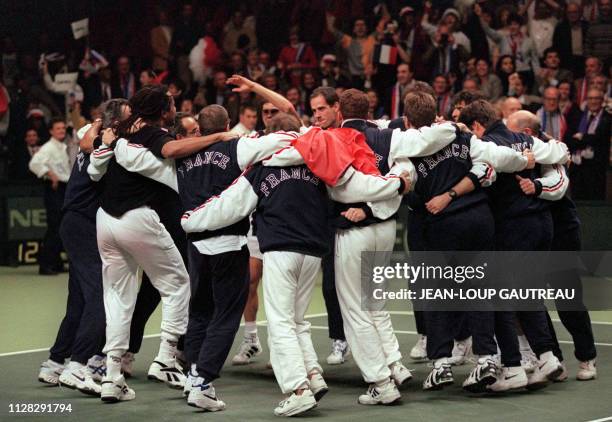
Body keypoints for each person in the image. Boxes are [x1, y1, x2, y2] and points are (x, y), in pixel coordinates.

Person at [87, 85, 230, 402]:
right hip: (137, 217)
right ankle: (166, 358)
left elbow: (94, 152)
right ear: (161, 110)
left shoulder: (122, 131)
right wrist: (218, 138)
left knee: (118, 299)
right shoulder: (152, 134)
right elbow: (169, 152)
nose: (174, 106)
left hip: (105, 221)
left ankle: (112, 377)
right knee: (178, 283)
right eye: (171, 103)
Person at [459, 99, 570, 391]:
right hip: (541, 223)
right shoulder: (524, 138)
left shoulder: (487, 145)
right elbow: (560, 150)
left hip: (513, 227)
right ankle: (545, 357)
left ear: (476, 126)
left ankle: (514, 367)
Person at [507, 109, 598, 381]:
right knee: (532, 299)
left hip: (562, 234)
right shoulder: (515, 156)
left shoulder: (549, 151)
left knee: (567, 298)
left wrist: (534, 186)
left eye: (510, 129)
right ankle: (554, 359)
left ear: (525, 133)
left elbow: (558, 184)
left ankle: (587, 358)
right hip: (533, 235)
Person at [29, 117, 70, 275]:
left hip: (63, 188)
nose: (61, 130)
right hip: (54, 189)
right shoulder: (48, 147)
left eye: (62, 128)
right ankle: (45, 265)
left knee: (60, 227)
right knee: (55, 227)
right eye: (58, 128)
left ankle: (56, 262)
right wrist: (49, 174)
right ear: (51, 131)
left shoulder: (61, 146)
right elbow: (34, 163)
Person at [566, 88, 611, 199]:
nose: (593, 101)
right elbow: (569, 139)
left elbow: (601, 138)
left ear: (602, 100)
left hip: (597, 169)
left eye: (597, 98)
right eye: (590, 98)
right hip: (578, 168)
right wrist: (589, 139)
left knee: (595, 203)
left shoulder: (608, 118)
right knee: (578, 202)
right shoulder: (578, 116)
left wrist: (581, 137)